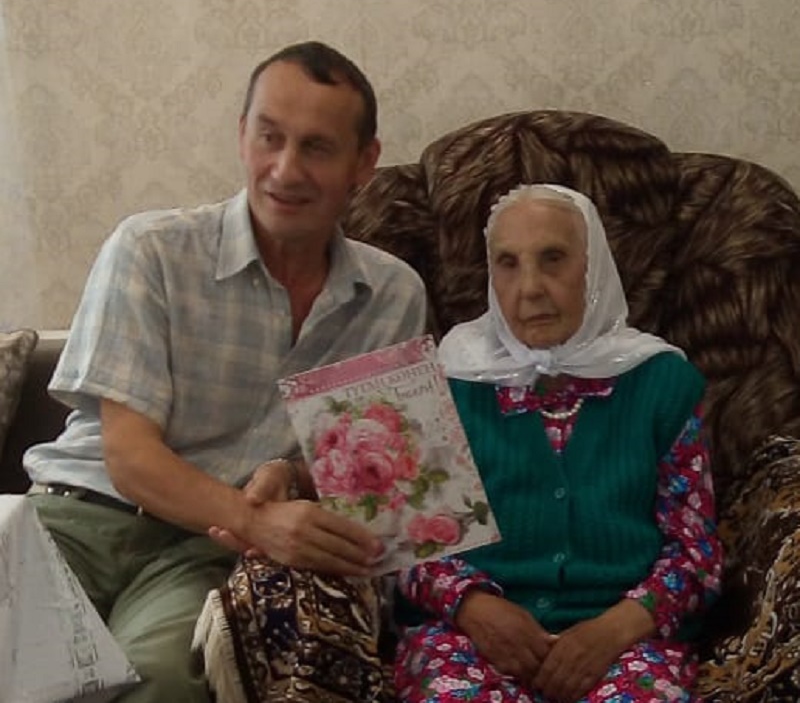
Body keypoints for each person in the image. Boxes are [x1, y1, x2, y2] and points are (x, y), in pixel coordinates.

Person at [22, 41, 427, 703]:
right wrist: (260, 522)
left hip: (200, 548)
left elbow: (368, 478)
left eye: (317, 147)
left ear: (364, 162)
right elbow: (130, 457)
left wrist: (289, 478)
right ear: (242, 135)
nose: (285, 169)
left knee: (156, 680)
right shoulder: (151, 249)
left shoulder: (393, 295)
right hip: (77, 516)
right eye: (270, 137)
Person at [394, 184, 722, 703]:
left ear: (594, 270)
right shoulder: (446, 381)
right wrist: (476, 608)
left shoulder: (663, 382)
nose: (530, 288)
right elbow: (409, 544)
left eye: (553, 259)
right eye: (508, 264)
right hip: (468, 637)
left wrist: (610, 632)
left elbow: (694, 553)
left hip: (624, 641)